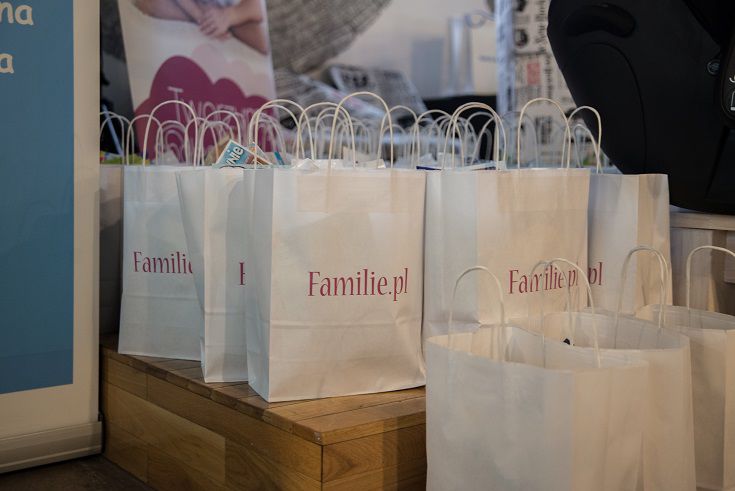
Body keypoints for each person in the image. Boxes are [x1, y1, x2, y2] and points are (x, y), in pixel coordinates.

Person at [134, 0, 269, 55]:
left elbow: (256, 9)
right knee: (147, 4)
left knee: (262, 40)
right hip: (199, 7)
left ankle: (218, 18)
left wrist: (231, 15)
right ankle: (211, 17)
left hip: (234, 9)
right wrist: (199, 15)